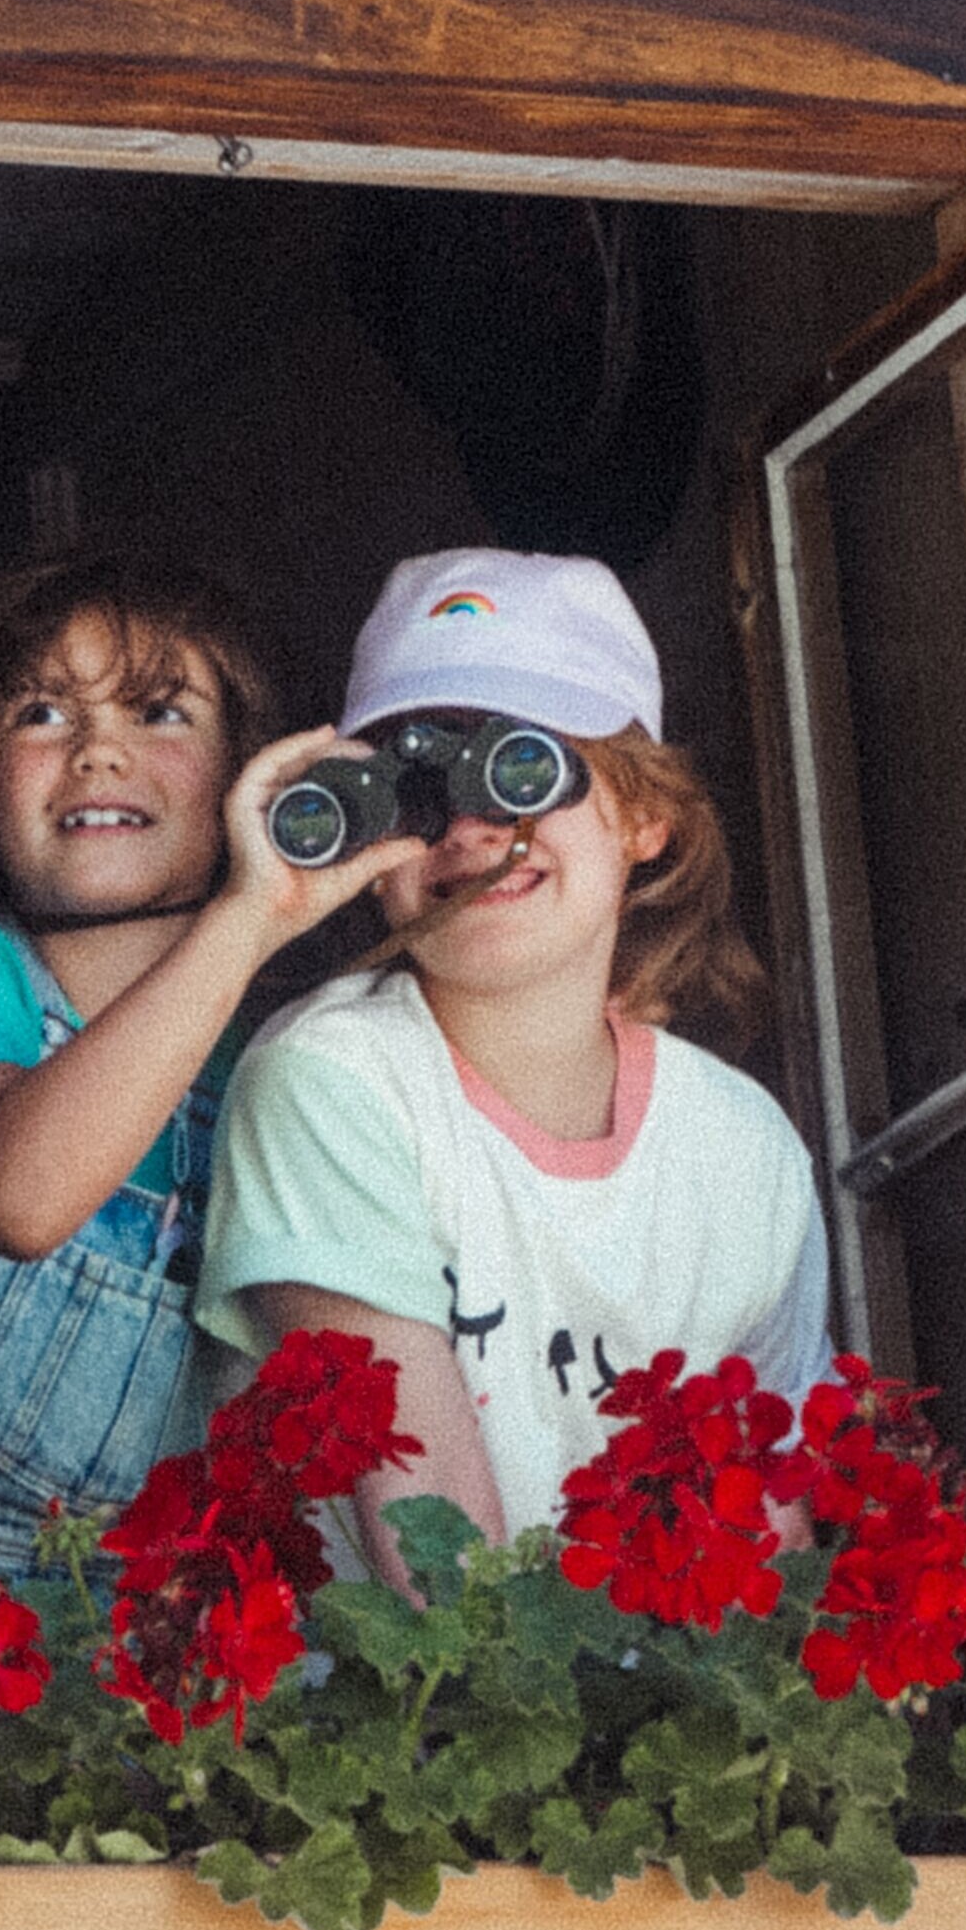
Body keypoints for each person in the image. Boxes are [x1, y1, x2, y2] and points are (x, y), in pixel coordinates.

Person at [0, 559, 421, 1560]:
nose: (100, 750)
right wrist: (248, 915)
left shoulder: (283, 1048)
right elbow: (22, 1196)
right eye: (41, 713)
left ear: (248, 773)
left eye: (160, 711)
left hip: (119, 1599)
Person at [198, 549, 834, 1549]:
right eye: (415, 788)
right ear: (367, 846)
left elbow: (766, 1533)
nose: (473, 826)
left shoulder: (742, 1147)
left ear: (646, 813)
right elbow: (430, 1536)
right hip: (410, 1697)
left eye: (523, 766)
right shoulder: (332, 1082)